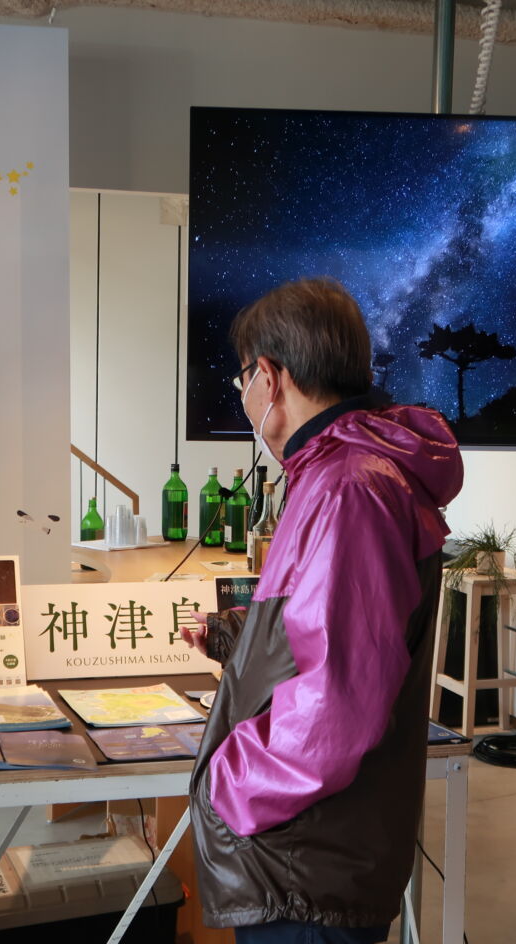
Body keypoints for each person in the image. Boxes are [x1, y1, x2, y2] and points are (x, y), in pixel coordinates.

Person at [179, 278, 463, 942]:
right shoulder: (338, 475)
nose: (244, 397)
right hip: (314, 854)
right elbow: (338, 632)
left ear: (271, 378)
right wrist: (239, 640)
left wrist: (230, 783)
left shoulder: (349, 490)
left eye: (241, 380)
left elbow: (337, 703)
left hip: (306, 867)